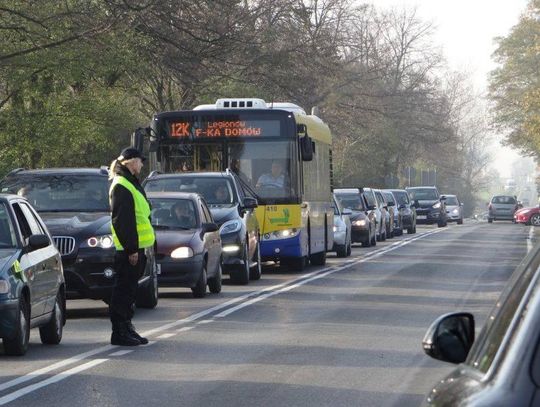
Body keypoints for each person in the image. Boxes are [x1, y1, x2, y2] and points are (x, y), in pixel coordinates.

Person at [108, 147, 155, 346]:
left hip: (136, 248)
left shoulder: (128, 181)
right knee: (123, 291)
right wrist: (131, 249)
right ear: (131, 162)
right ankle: (119, 332)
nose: (142, 165)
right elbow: (123, 220)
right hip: (128, 250)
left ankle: (127, 327)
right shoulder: (121, 185)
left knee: (129, 291)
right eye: (140, 161)